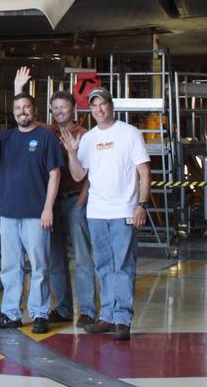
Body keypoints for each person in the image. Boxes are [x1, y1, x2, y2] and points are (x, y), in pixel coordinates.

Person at [61, 87, 151, 341]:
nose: (99, 109)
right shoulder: (88, 139)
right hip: (96, 212)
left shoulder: (129, 133)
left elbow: (144, 170)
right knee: (103, 265)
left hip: (124, 209)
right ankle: (108, 316)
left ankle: (122, 318)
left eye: (103, 104)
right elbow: (79, 175)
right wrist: (71, 152)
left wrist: (141, 204)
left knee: (122, 264)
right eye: (94, 106)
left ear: (111, 106)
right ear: (89, 110)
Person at [0, 82, 63, 333]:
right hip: (9, 213)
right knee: (10, 267)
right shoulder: (6, 138)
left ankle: (39, 314)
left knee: (39, 266)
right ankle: (11, 313)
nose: (22, 112)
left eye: (26, 107)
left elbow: (55, 175)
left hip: (36, 213)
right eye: (17, 108)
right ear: (13, 112)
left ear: (34, 111)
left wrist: (48, 209)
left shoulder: (46, 138)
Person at [44, 85, 97, 327]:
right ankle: (64, 308)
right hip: (53, 204)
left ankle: (86, 310)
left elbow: (91, 174)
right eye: (55, 108)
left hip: (76, 201)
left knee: (83, 257)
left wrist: (81, 201)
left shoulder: (85, 135)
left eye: (63, 107)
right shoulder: (50, 132)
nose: (59, 111)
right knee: (56, 258)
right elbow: (28, 120)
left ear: (73, 109)